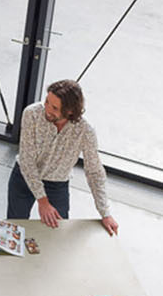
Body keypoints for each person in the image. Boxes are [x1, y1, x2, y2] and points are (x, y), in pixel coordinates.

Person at [7, 78, 118, 235]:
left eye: (54, 107)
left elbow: (94, 171)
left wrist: (105, 213)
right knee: (14, 230)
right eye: (46, 101)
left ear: (70, 111)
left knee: (58, 236)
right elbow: (26, 161)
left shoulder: (85, 131)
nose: (47, 109)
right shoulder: (32, 114)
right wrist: (42, 201)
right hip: (24, 177)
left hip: (56, 184)